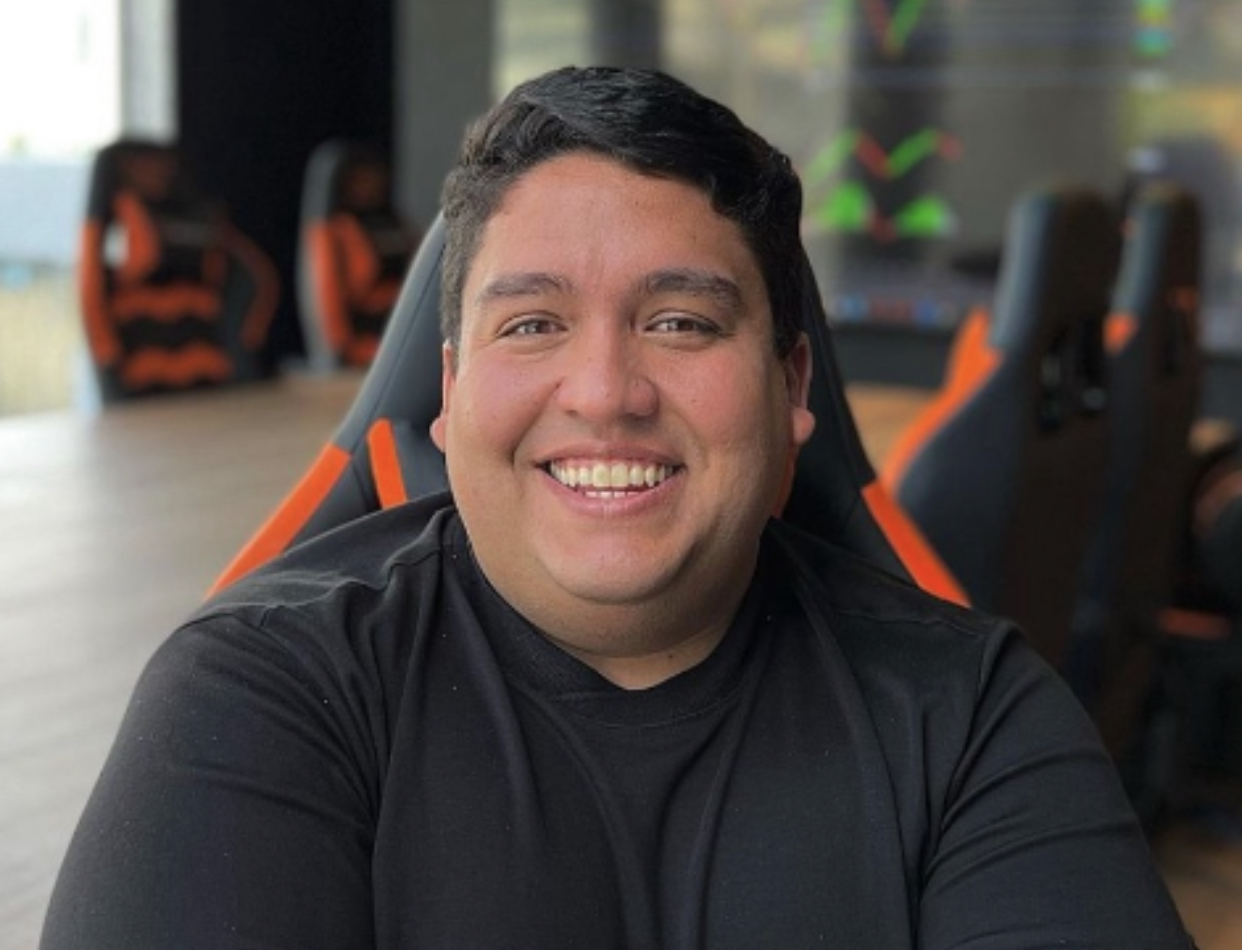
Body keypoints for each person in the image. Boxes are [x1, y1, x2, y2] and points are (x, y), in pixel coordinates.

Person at [42, 66, 1193, 949]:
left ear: (792, 386)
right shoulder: (260, 696)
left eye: (681, 321)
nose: (604, 392)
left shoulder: (975, 715)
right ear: (451, 390)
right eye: (533, 323)